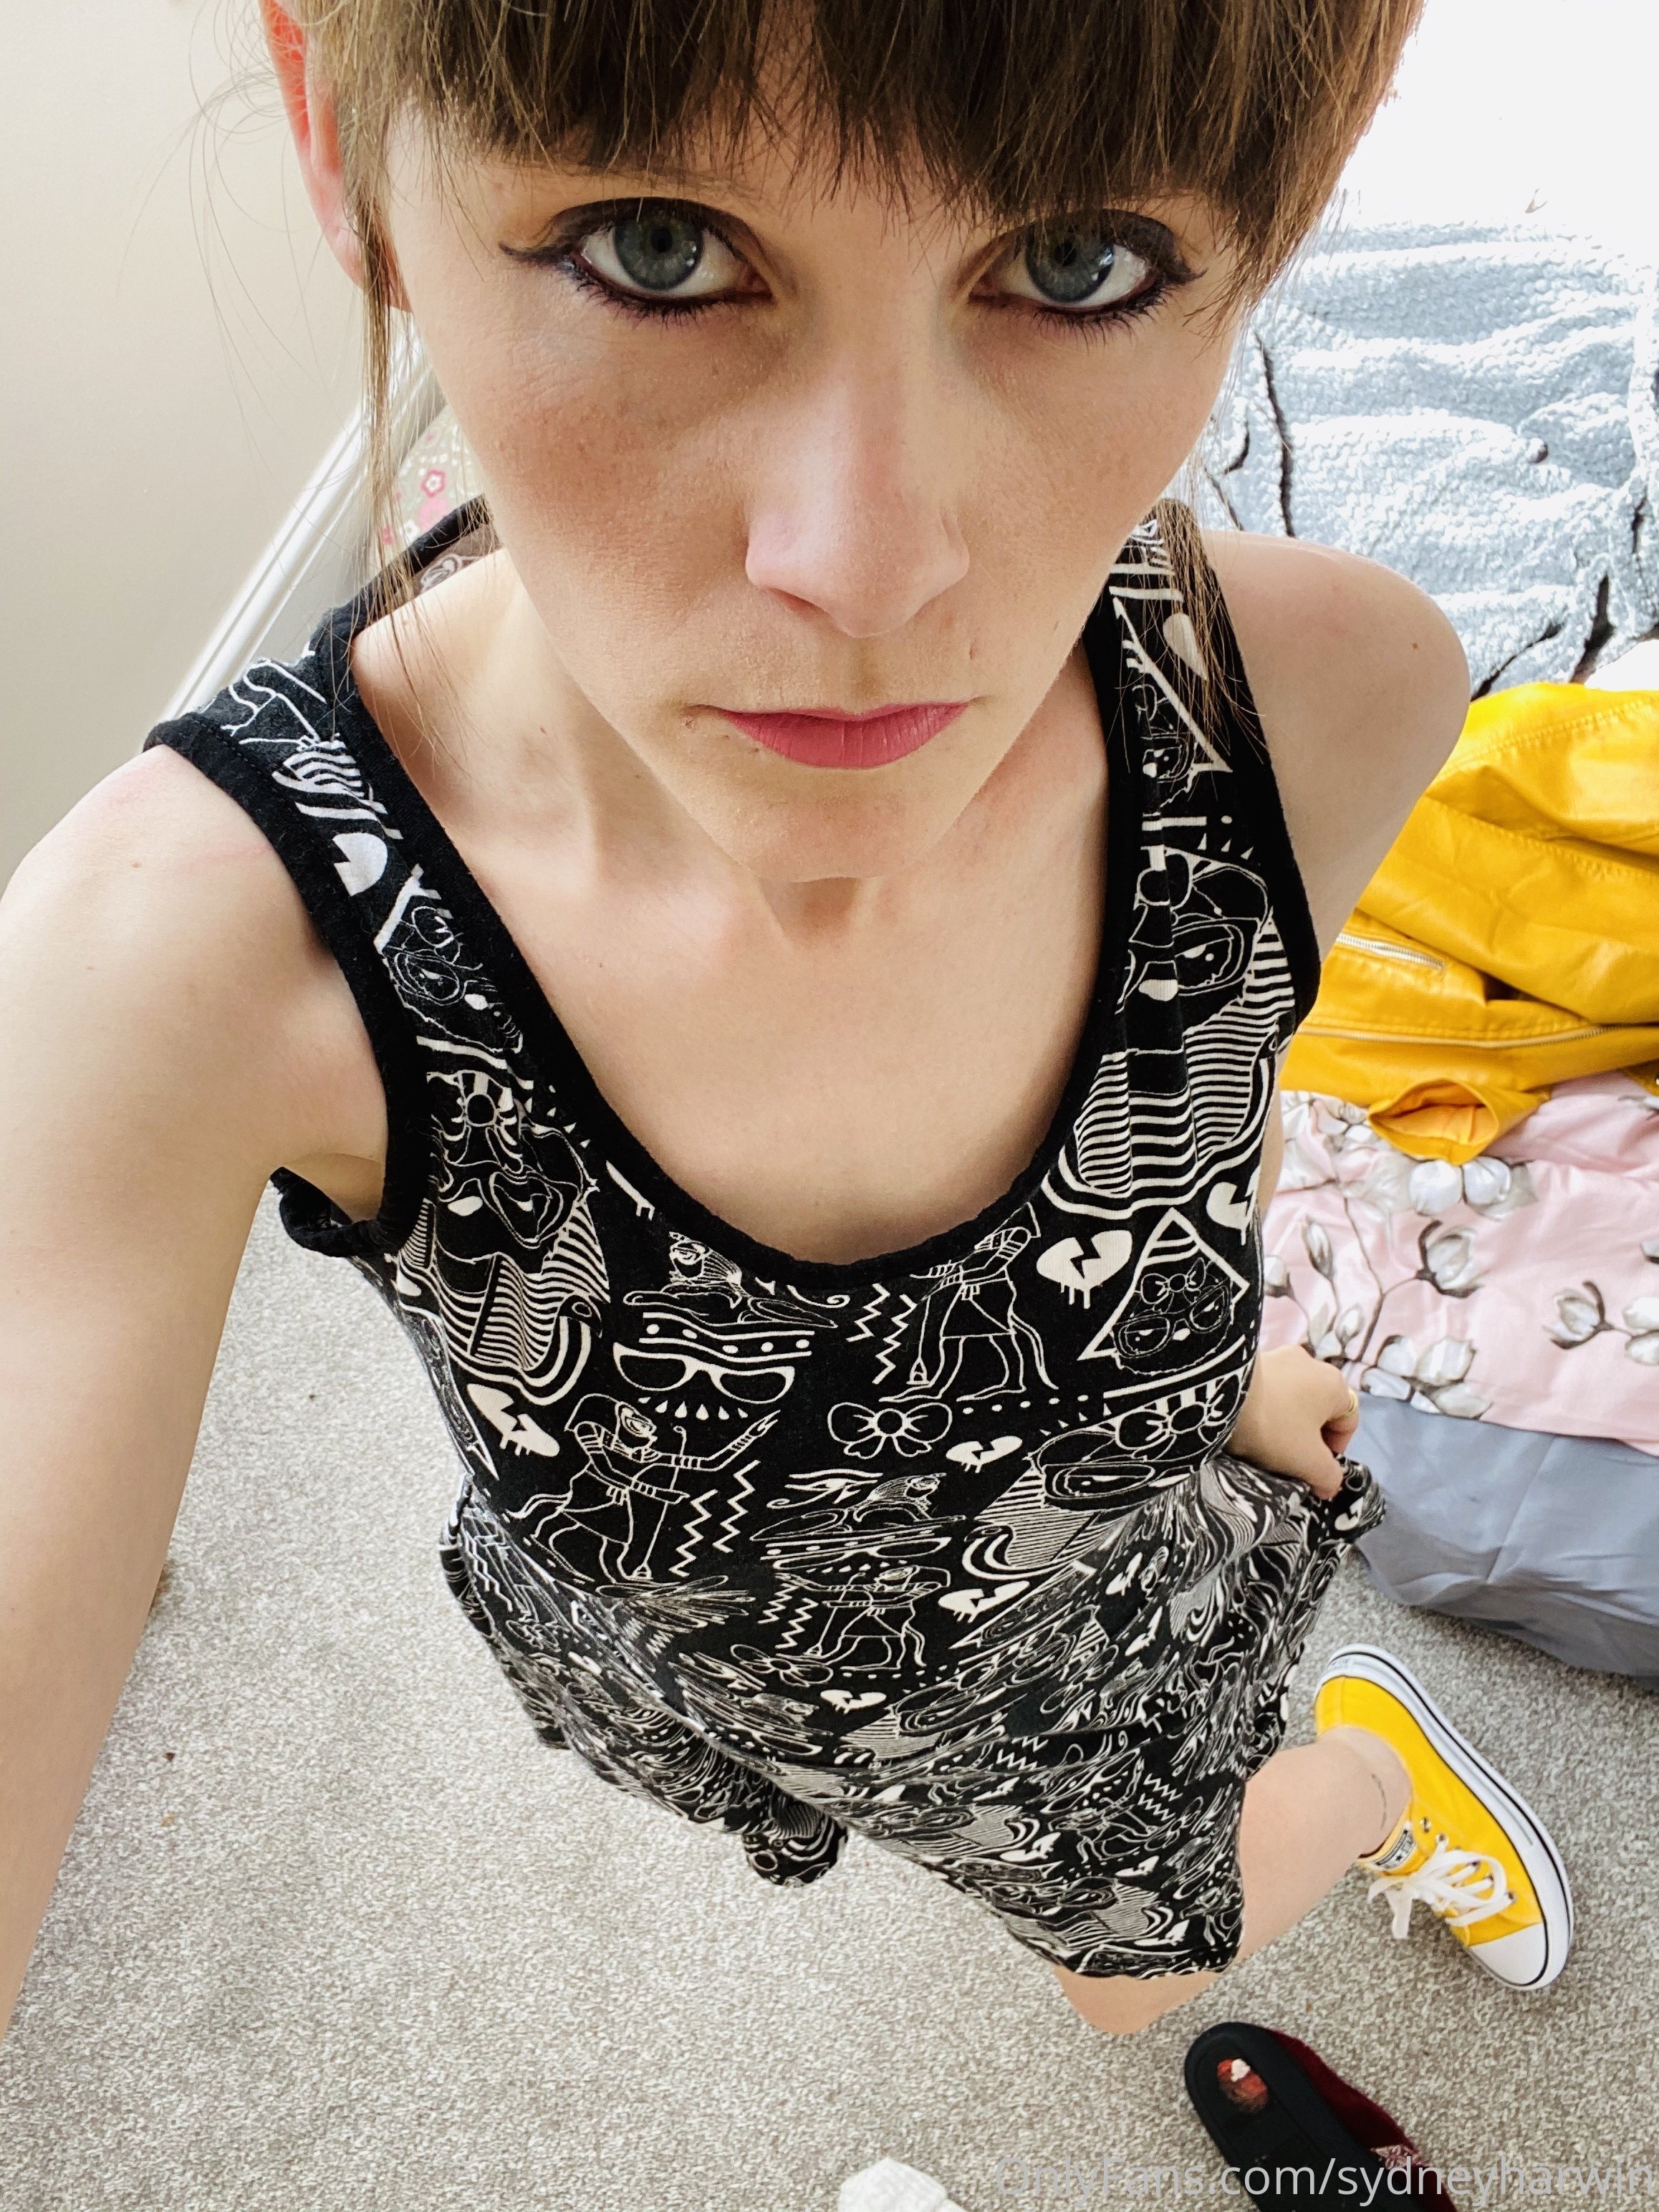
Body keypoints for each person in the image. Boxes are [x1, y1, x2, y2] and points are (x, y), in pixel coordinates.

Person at [0, 0, 1572, 2047]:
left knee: (1139, 1980)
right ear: (338, 142)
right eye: (655, 249)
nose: (867, 567)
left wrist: (1221, 1365)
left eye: (1076, 261)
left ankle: (1368, 1777)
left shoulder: (1312, 705)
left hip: (1081, 1645)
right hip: (681, 1664)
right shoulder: (197, 954)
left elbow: (1205, 1112)